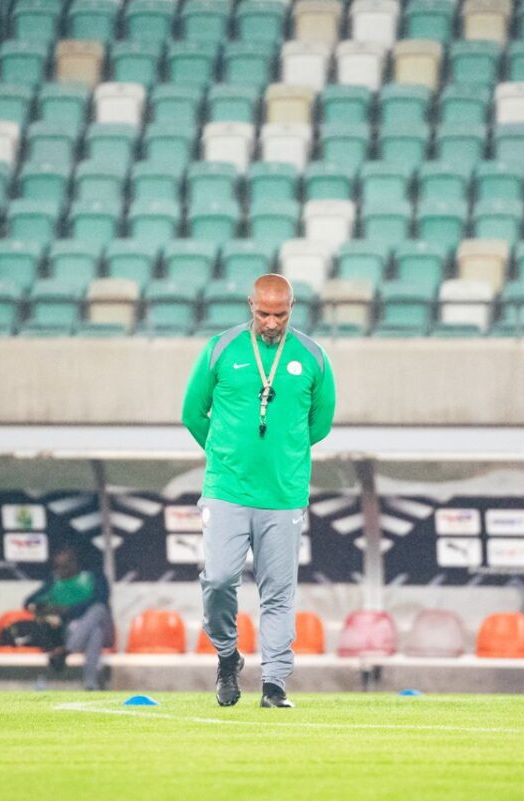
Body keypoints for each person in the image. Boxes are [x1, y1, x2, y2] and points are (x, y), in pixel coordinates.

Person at [181, 274, 336, 708]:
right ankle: (227, 656)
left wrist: (283, 455)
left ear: (292, 309)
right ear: (251, 305)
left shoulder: (312, 357)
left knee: (279, 592)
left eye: (280, 314)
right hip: (227, 489)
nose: (271, 322)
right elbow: (192, 412)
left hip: (283, 495)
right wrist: (226, 454)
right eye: (264, 313)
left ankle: (274, 684)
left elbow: (320, 424)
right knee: (218, 579)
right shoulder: (220, 349)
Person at [23, 540, 114, 691]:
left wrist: (69, 610)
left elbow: (101, 599)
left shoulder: (94, 577)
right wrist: (49, 609)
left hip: (106, 630)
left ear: (75, 563)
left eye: (64, 566)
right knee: (94, 633)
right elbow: (29, 602)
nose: (60, 570)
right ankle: (91, 685)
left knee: (98, 609)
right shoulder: (55, 581)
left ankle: (66, 651)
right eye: (57, 566)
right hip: (75, 631)